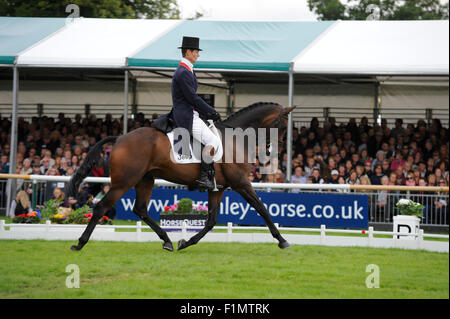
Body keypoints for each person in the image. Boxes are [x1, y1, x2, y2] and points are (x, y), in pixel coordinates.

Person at [169, 36, 221, 191]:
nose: (198, 55)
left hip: (190, 112)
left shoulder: (187, 70)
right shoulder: (183, 72)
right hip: (185, 115)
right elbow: (192, 97)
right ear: (189, 52)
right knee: (213, 141)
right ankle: (204, 179)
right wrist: (210, 111)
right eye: (196, 52)